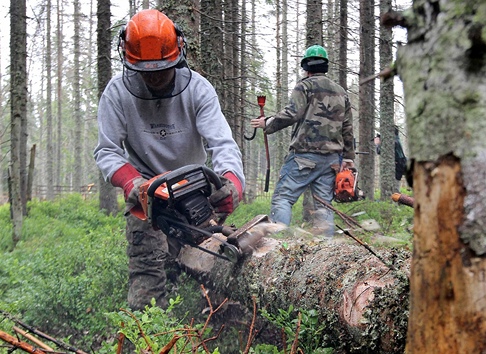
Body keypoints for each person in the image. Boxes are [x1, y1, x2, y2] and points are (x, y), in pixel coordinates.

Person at [93, 9, 245, 310]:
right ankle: (150, 330)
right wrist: (132, 184)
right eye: (147, 72)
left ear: (179, 55)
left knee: (210, 263)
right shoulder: (117, 93)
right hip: (147, 190)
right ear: (130, 61)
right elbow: (107, 150)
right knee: (148, 273)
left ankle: (213, 318)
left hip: (193, 189)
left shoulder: (199, 90)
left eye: (162, 68)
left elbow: (222, 144)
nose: (156, 76)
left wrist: (232, 183)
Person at [250, 44, 354, 237]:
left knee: (283, 198)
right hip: (331, 160)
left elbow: (292, 113)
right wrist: (348, 158)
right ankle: (326, 253)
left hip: (304, 157)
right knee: (324, 205)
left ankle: (278, 246)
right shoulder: (341, 92)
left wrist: (268, 123)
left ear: (306, 67)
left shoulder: (304, 86)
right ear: (325, 66)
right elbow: (347, 127)